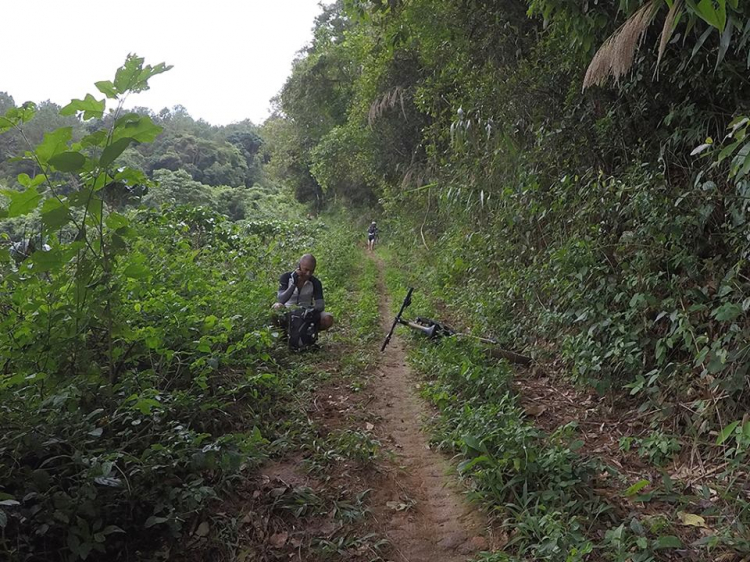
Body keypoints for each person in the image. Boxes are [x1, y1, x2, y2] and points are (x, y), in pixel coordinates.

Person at [272, 253, 334, 330]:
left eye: (311, 271)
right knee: (276, 307)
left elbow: (320, 305)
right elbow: (281, 299)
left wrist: (309, 310)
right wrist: (293, 284)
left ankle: (310, 334)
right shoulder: (286, 277)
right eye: (306, 270)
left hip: (307, 311)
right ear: (299, 266)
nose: (308, 274)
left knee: (328, 319)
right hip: (288, 310)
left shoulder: (315, 282)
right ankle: (282, 334)